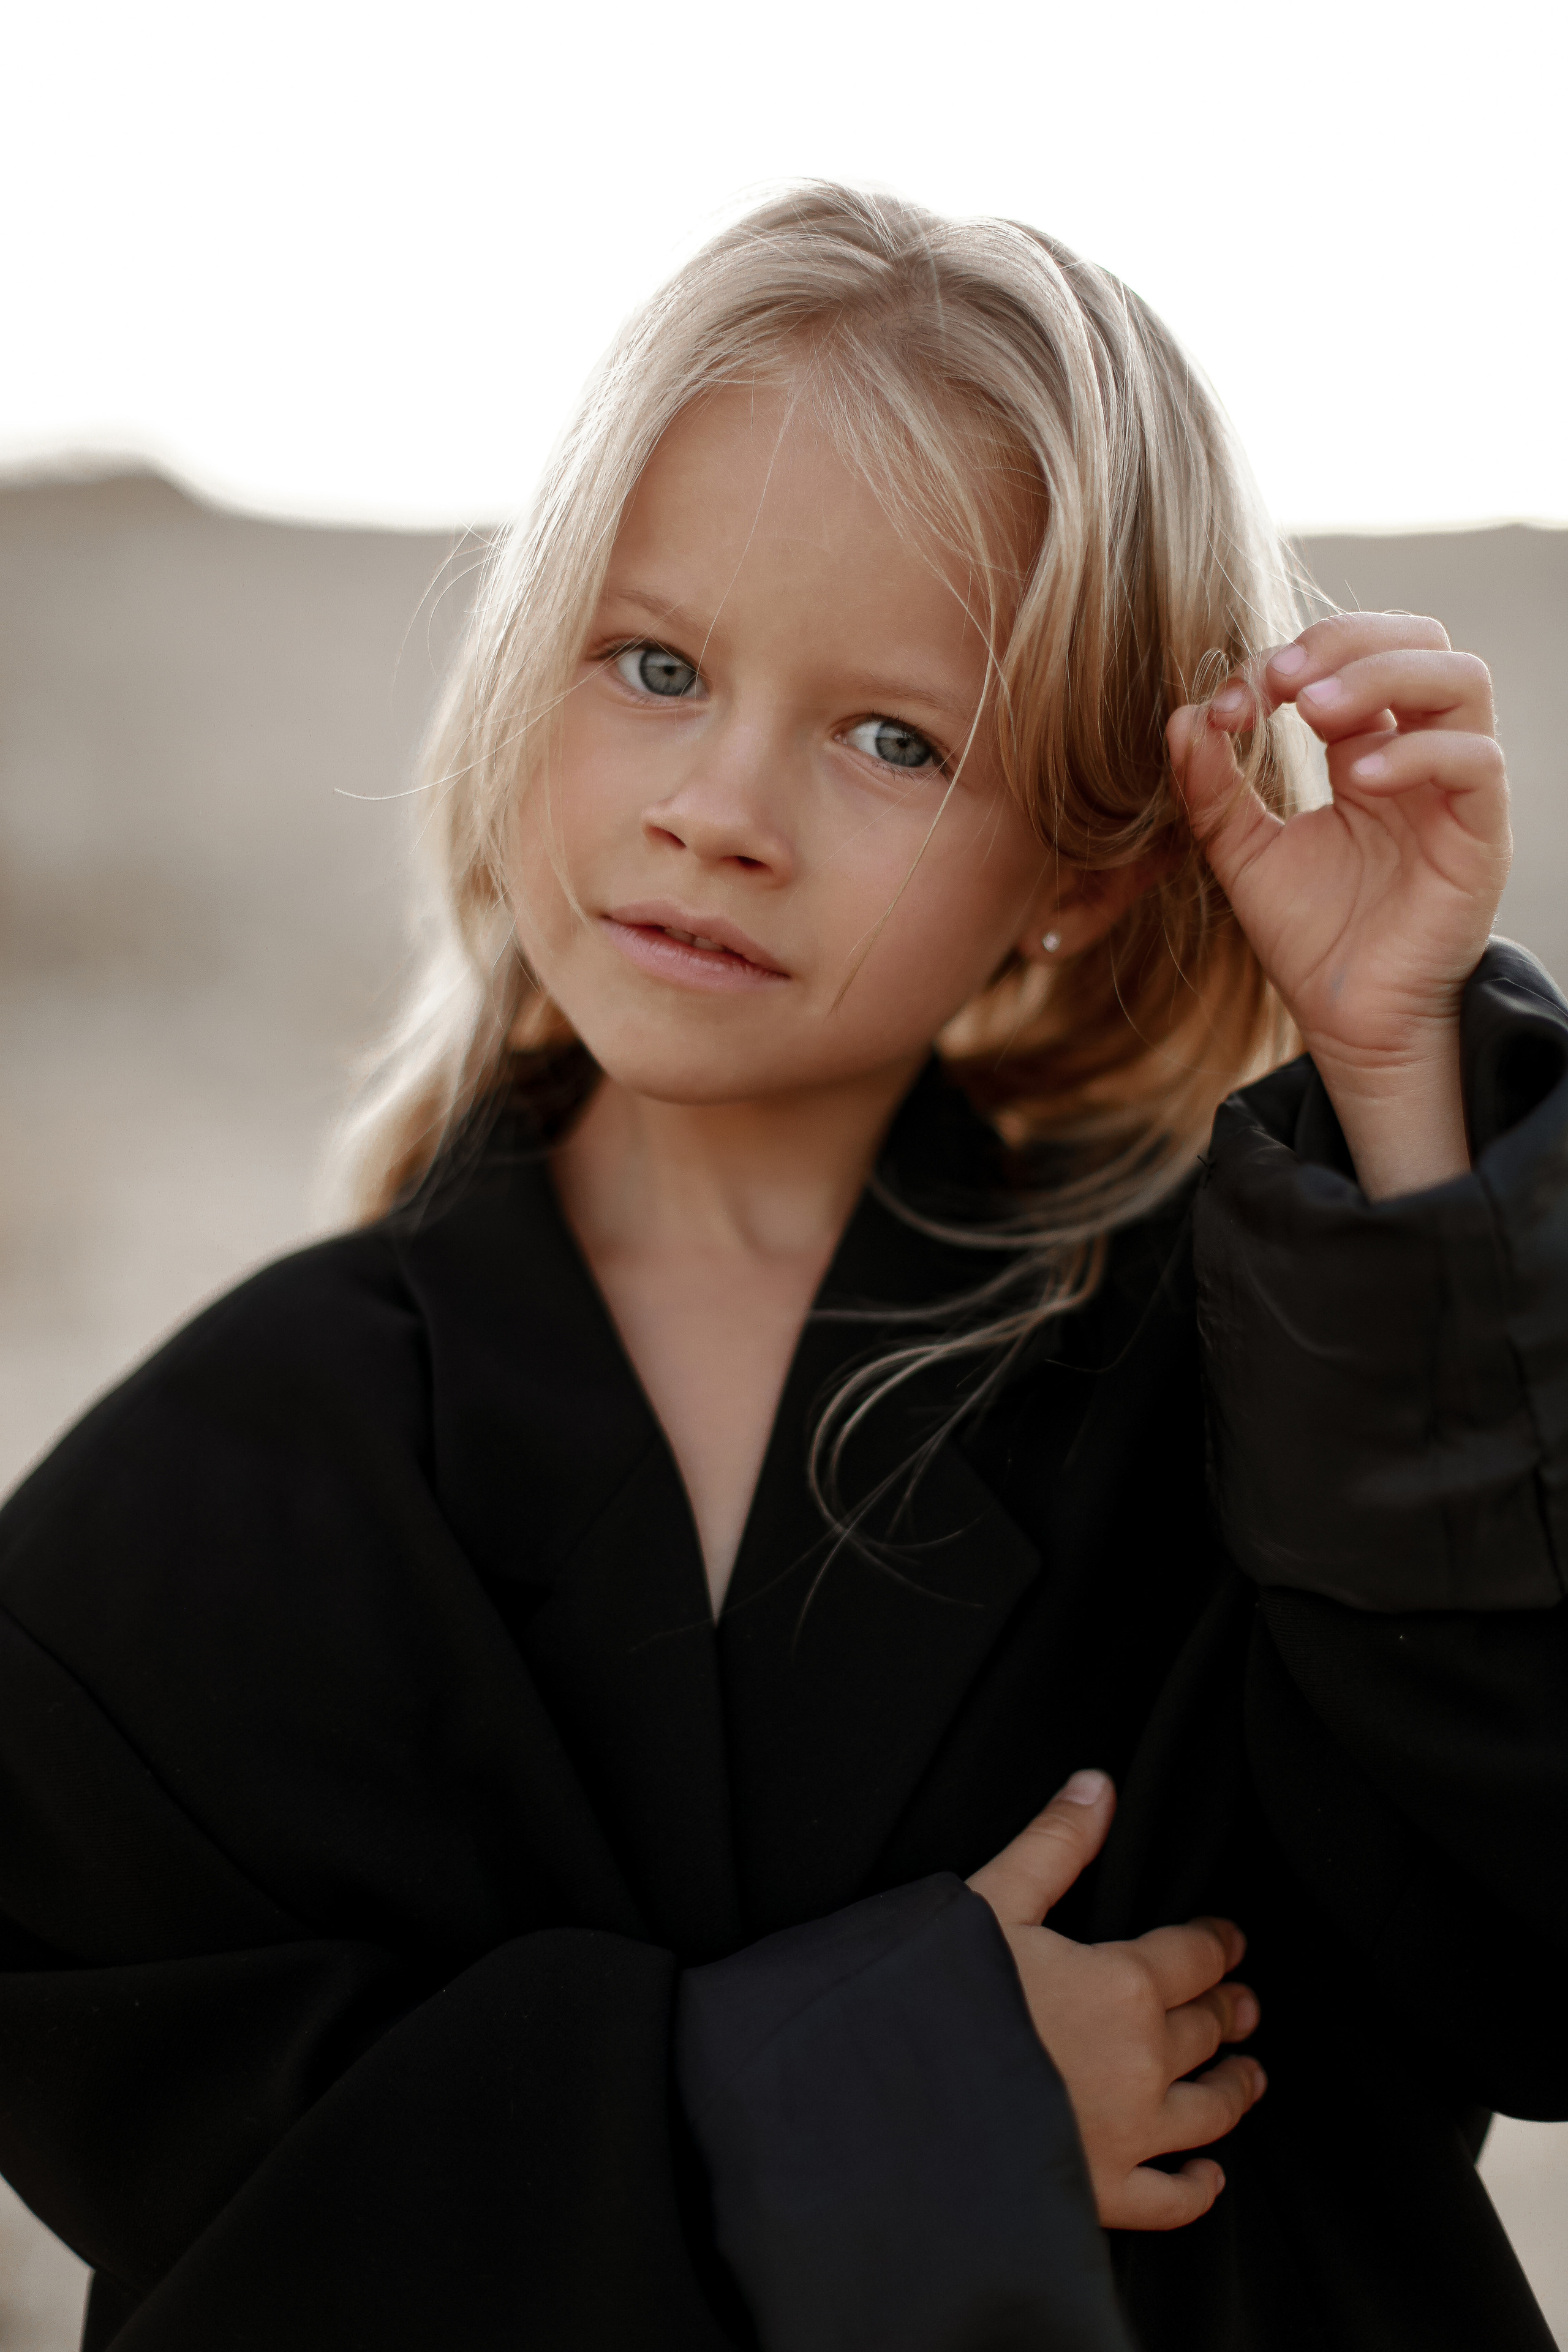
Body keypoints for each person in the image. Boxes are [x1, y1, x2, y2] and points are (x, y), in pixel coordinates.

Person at [0, 183, 1562, 2352]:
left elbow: (1532, 1951)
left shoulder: (1264, 1376)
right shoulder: (192, 1524)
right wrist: (852, 2110)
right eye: (656, 666)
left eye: (893, 738)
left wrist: (1400, 1075)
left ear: (1085, 878)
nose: (721, 807)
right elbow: (240, 2242)